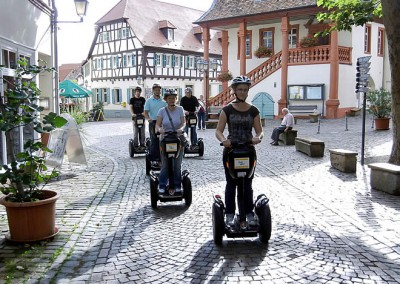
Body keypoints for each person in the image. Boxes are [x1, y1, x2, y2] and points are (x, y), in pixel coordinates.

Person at [215, 75, 264, 227]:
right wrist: (224, 140)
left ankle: (249, 213)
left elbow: (260, 131)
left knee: (248, 183)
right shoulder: (227, 110)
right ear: (234, 91)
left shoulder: (254, 110)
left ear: (248, 91)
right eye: (239, 89)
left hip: (248, 151)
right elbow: (218, 131)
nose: (242, 92)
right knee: (231, 183)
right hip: (231, 150)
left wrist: (257, 138)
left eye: (245, 89)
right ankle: (229, 214)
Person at [155, 89, 186, 194]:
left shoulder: (180, 109)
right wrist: (160, 130)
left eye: (173, 98)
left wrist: (181, 129)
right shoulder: (162, 111)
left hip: (177, 139)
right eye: (169, 98)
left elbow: (183, 123)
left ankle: (177, 185)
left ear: (175, 99)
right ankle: (162, 185)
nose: (171, 100)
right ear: (166, 99)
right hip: (165, 139)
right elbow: (157, 125)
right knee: (165, 164)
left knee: (177, 164)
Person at [144, 83, 167, 166]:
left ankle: (164, 158)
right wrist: (148, 118)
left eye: (159, 90)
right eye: (156, 90)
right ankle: (155, 159)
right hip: (153, 122)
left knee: (164, 139)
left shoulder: (164, 101)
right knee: (154, 140)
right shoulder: (149, 101)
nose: (157, 91)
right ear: (153, 91)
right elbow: (145, 112)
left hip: (163, 123)